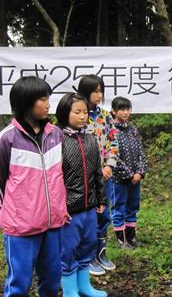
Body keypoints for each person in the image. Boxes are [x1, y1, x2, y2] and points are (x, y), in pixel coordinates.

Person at [0, 76, 67, 296]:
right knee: (19, 283)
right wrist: (10, 216)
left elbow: (61, 175)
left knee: (51, 280)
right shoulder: (6, 139)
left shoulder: (56, 135)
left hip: (52, 223)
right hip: (21, 227)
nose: (48, 104)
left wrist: (61, 207)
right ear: (25, 101)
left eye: (48, 98)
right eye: (42, 99)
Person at [56, 93, 108, 297]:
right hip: (69, 208)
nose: (82, 116)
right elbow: (54, 178)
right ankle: (70, 291)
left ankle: (84, 286)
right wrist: (60, 207)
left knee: (88, 244)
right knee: (68, 250)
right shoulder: (56, 138)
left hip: (89, 205)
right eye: (77, 112)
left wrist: (101, 198)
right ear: (64, 113)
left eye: (85, 112)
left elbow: (97, 171)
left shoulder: (89, 138)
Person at [77, 74, 119, 275]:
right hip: (86, 176)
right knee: (89, 215)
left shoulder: (105, 115)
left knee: (104, 214)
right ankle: (88, 255)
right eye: (95, 90)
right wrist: (95, 169)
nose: (99, 94)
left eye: (100, 90)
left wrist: (110, 166)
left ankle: (101, 252)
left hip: (106, 175)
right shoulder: (78, 116)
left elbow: (113, 142)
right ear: (85, 92)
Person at [109, 96, 148, 248]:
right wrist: (129, 174)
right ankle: (122, 240)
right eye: (122, 109)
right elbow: (113, 156)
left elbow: (141, 153)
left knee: (132, 207)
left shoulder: (132, 129)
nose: (126, 112)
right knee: (119, 207)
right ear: (114, 111)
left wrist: (139, 172)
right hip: (119, 178)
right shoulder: (111, 131)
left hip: (135, 178)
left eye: (128, 109)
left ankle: (131, 237)